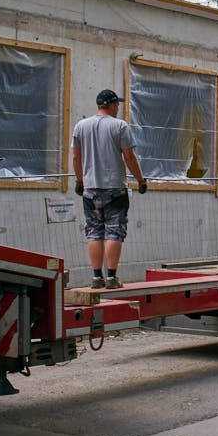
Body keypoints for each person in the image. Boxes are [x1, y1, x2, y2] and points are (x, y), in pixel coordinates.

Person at [71, 89, 147, 290]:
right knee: (114, 231)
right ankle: (112, 278)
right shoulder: (120, 126)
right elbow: (129, 157)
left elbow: (76, 157)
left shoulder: (80, 126)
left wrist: (80, 181)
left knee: (94, 231)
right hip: (115, 189)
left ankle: (97, 277)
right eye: (118, 105)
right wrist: (140, 180)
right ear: (112, 105)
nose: (118, 108)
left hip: (90, 189)